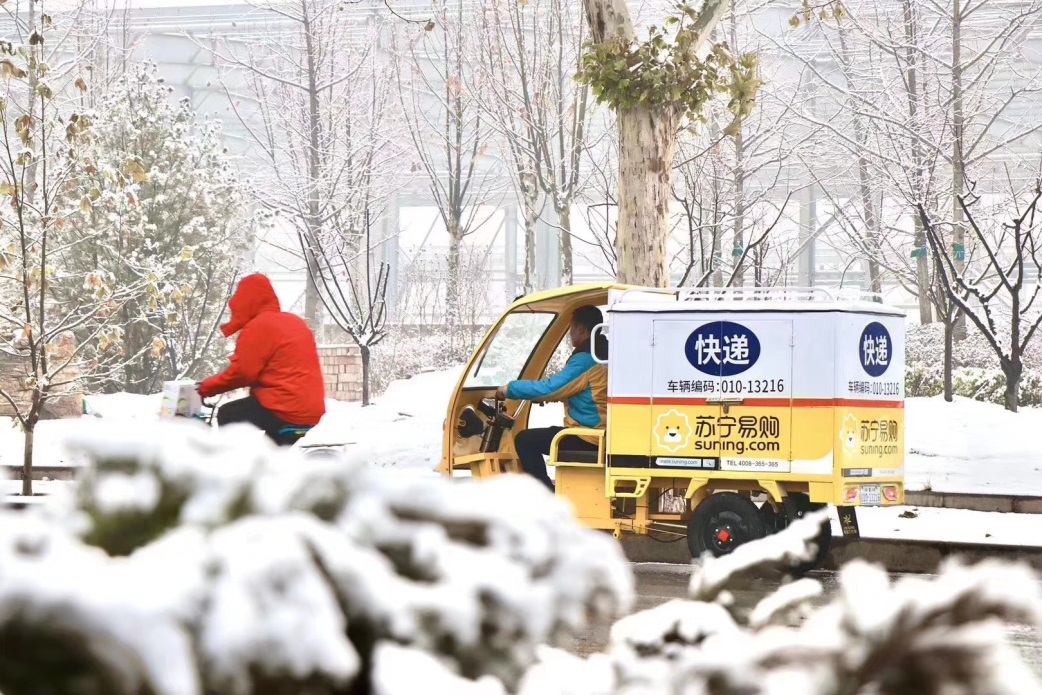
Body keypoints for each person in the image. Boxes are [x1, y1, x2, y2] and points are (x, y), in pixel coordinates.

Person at [197, 273, 326, 443]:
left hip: (284, 408)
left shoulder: (258, 326)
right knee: (270, 454)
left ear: (245, 302)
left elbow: (242, 373)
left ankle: (233, 459)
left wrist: (206, 387)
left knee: (228, 414)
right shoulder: (295, 321)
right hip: (310, 408)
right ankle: (260, 460)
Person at [496, 305, 608, 491]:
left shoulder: (585, 359)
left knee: (525, 440)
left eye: (571, 328)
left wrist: (509, 389)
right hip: (603, 431)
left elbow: (550, 388)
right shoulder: (604, 354)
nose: (570, 334)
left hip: (589, 436)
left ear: (580, 329)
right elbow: (586, 390)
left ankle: (546, 494)